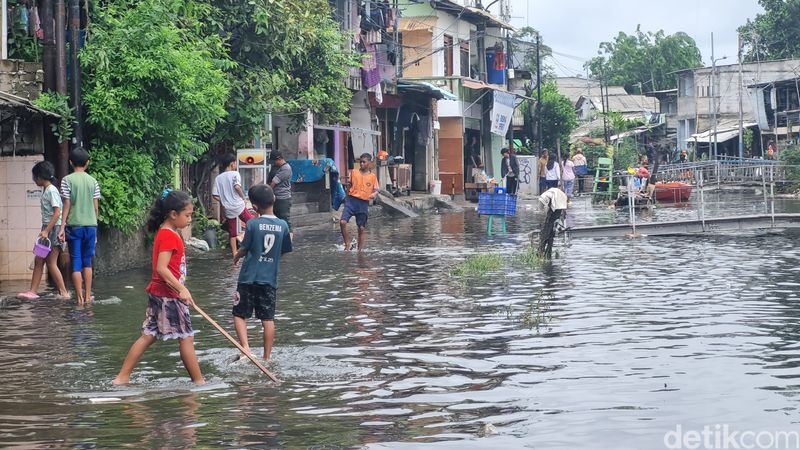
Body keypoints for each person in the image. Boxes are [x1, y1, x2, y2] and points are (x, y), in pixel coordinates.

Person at [113, 190, 204, 385]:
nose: (189, 220)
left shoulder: (166, 232)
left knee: (148, 335)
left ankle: (122, 377)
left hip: (160, 294)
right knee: (186, 338)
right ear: (173, 214)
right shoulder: (169, 236)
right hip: (170, 296)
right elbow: (162, 269)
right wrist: (181, 289)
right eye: (187, 215)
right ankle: (199, 382)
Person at [232, 184, 292, 362]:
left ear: (254, 206)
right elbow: (284, 250)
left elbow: (244, 248)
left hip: (248, 278)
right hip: (269, 280)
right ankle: (266, 358)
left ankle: (246, 349)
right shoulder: (283, 226)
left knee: (239, 314)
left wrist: (236, 256)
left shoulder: (252, 224)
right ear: (274, 199)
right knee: (268, 319)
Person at [17, 161, 70, 300]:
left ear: (40, 177)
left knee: (50, 262)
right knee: (39, 260)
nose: (33, 179)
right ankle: (33, 291)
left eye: (34, 176)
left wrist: (46, 231)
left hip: (52, 229)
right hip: (49, 228)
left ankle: (63, 293)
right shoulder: (47, 189)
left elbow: (57, 213)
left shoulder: (51, 190)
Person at [58, 148, 101, 304]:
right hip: (91, 226)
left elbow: (66, 204)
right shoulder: (93, 181)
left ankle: (80, 298)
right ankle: (89, 296)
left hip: (74, 226)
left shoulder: (67, 180)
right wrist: (94, 226)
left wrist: (62, 227)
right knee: (87, 261)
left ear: (70, 162)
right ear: (87, 163)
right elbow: (96, 206)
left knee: (76, 262)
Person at [213, 153, 255, 259]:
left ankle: (234, 253)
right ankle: (251, 245)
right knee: (252, 222)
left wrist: (224, 200)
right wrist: (243, 198)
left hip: (228, 209)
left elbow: (214, 195)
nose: (236, 165)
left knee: (232, 232)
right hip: (238, 205)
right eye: (235, 163)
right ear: (232, 163)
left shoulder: (218, 178)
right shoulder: (235, 174)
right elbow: (237, 186)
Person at [340, 153, 379, 251]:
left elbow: (376, 190)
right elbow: (349, 185)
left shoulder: (372, 177)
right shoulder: (354, 172)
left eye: (364, 162)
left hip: (363, 203)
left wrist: (373, 195)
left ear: (369, 163)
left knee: (361, 228)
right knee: (342, 222)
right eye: (360, 162)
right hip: (351, 201)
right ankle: (347, 244)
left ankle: (359, 250)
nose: (361, 164)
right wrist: (346, 196)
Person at [267, 151, 293, 235]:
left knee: (285, 221)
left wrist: (267, 192)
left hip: (283, 199)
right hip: (276, 198)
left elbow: (274, 182)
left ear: (279, 159)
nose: (274, 163)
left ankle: (289, 242)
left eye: (274, 161)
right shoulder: (277, 167)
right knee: (276, 221)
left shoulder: (286, 168)